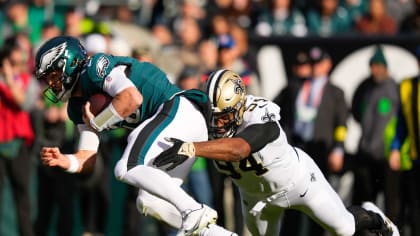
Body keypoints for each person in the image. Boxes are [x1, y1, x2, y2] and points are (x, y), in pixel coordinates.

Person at [153, 68, 400, 236]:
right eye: (213, 115)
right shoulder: (203, 118)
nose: (216, 123)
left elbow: (239, 149)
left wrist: (191, 148)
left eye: (224, 116)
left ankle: (376, 218)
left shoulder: (259, 113)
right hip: (255, 198)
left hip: (299, 182)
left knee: (344, 229)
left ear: (239, 108)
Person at [34, 35, 237, 236]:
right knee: (148, 202)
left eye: (53, 76)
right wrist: (66, 161)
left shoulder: (94, 68)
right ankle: (217, 233)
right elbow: (88, 158)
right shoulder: (76, 107)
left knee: (127, 167)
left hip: (178, 110)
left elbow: (132, 98)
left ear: (69, 63)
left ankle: (194, 211)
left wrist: (97, 122)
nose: (51, 84)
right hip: (175, 127)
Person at [388, 46, 420, 236]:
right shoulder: (408, 86)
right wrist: (396, 147)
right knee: (416, 210)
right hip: (417, 159)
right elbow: (402, 121)